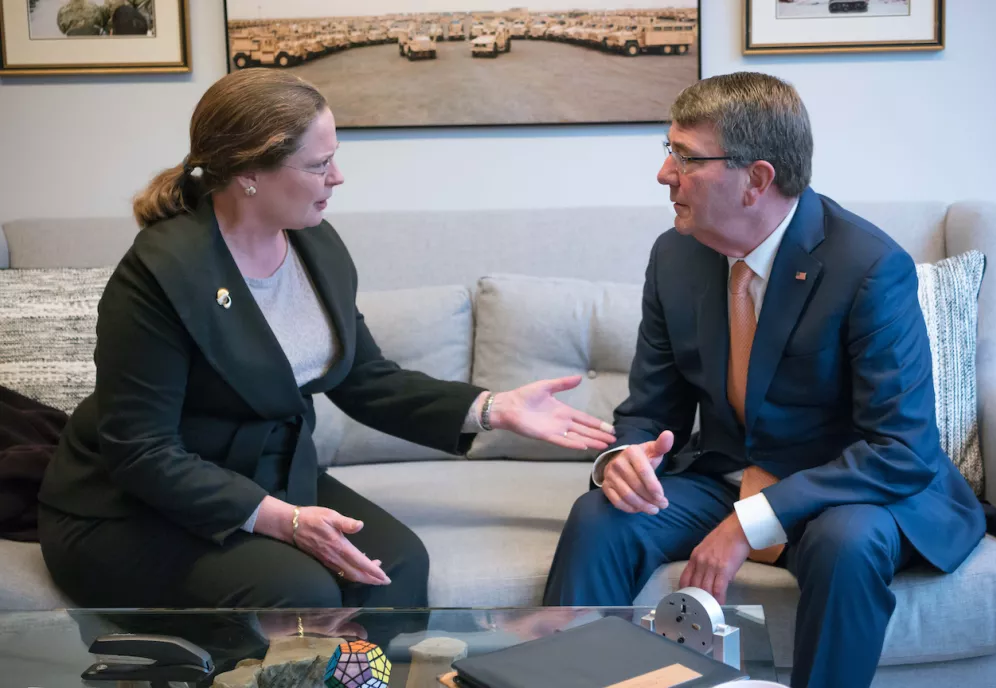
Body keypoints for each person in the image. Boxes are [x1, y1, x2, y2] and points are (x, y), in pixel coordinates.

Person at [37, 68, 616, 612]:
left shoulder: (316, 245)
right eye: (320, 165)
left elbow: (364, 379)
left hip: (268, 474)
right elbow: (142, 452)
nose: (336, 178)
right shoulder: (162, 273)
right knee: (300, 593)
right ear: (249, 174)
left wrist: (494, 407)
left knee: (397, 566)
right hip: (134, 506)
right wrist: (281, 519)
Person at [542, 72, 984, 688]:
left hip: (846, 489)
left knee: (847, 543)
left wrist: (749, 523)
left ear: (756, 179)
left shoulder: (868, 267)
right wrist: (625, 456)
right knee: (601, 517)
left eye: (685, 156)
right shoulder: (675, 255)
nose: (664, 174)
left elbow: (900, 450)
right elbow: (651, 408)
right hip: (726, 471)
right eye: (666, 150)